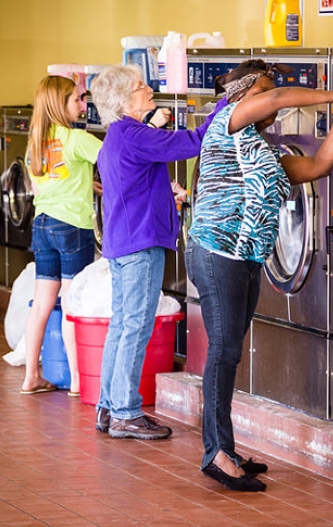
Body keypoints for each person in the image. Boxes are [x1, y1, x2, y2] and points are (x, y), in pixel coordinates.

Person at [186, 59, 333, 492]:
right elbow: (280, 98)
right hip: (217, 254)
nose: (275, 100)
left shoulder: (264, 151)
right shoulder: (226, 123)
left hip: (245, 260)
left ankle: (223, 447)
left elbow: (320, 165)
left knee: (229, 353)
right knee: (223, 352)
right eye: (265, 91)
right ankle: (216, 454)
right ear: (246, 95)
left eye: (272, 91)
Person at [89, 64, 227, 440]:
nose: (148, 89)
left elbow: (140, 177)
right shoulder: (134, 135)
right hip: (140, 244)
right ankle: (125, 414)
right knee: (135, 326)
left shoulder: (118, 137)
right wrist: (228, 103)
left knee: (122, 326)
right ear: (123, 102)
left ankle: (109, 405)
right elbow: (194, 142)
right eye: (140, 87)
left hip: (123, 243)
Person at [20, 75, 102, 396]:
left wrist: (86, 184)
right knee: (71, 304)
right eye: (77, 100)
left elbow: (45, 186)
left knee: (41, 305)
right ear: (59, 104)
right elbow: (117, 158)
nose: (82, 105)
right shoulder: (76, 139)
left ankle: (31, 377)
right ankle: (78, 382)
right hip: (72, 227)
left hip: (42, 225)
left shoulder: (36, 143)